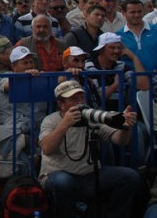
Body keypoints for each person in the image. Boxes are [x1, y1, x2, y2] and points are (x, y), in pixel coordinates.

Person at [39, 80, 141, 218]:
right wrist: (65, 124)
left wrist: (125, 126)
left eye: (81, 97)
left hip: (89, 175)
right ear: (61, 104)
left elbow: (120, 140)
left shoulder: (91, 117)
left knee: (129, 177)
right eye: (74, 99)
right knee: (63, 182)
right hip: (57, 174)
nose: (80, 102)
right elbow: (47, 148)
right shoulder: (50, 120)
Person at [117, 0, 157, 73]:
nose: (137, 15)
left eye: (139, 11)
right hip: (130, 81)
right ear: (123, 13)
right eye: (133, 12)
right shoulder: (118, 36)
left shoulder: (155, 30)